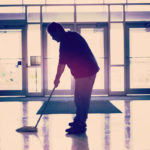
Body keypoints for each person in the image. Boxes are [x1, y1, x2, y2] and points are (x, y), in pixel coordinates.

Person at [47, 22, 100, 134]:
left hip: (87, 71)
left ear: (58, 31)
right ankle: (78, 120)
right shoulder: (72, 35)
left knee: (83, 99)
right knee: (78, 98)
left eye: (52, 35)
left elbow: (61, 65)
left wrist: (57, 79)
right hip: (84, 71)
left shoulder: (65, 42)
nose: (52, 38)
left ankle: (81, 124)